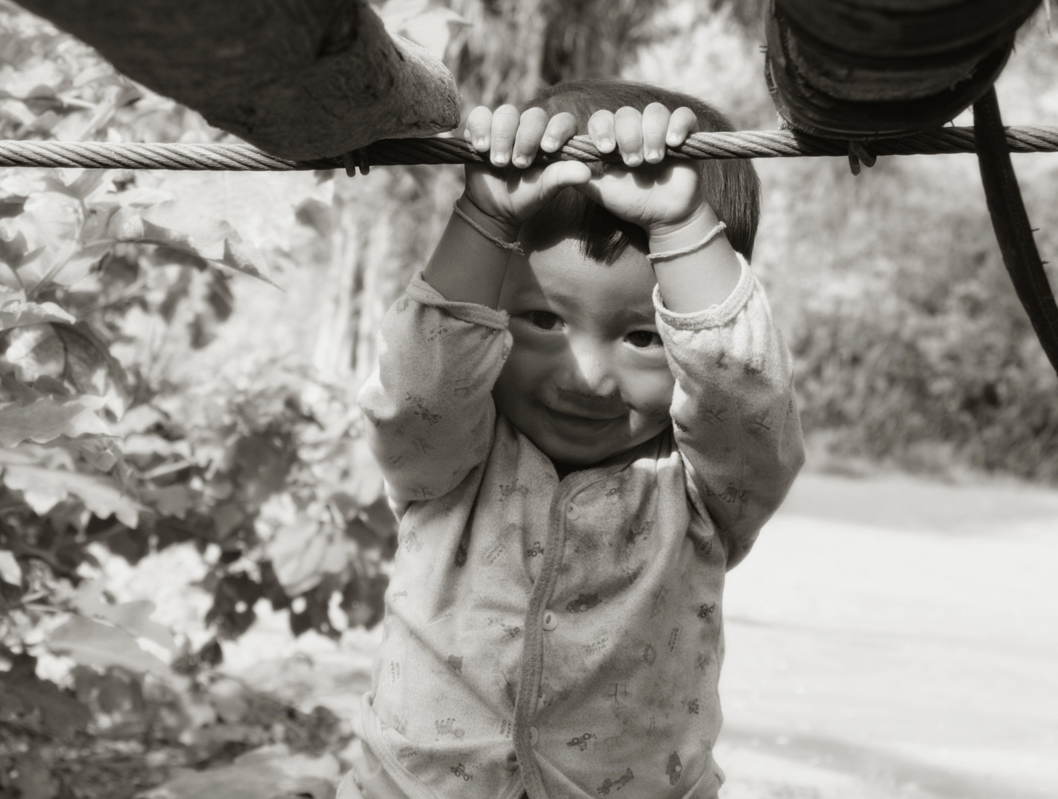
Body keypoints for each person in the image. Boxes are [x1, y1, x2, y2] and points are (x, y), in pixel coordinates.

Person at [336, 78, 805, 799]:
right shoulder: (452, 453)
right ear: (491, 312)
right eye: (544, 321)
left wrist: (684, 227)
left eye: (646, 336)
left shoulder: (706, 488)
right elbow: (418, 383)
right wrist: (485, 217)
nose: (587, 377)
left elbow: (745, 399)